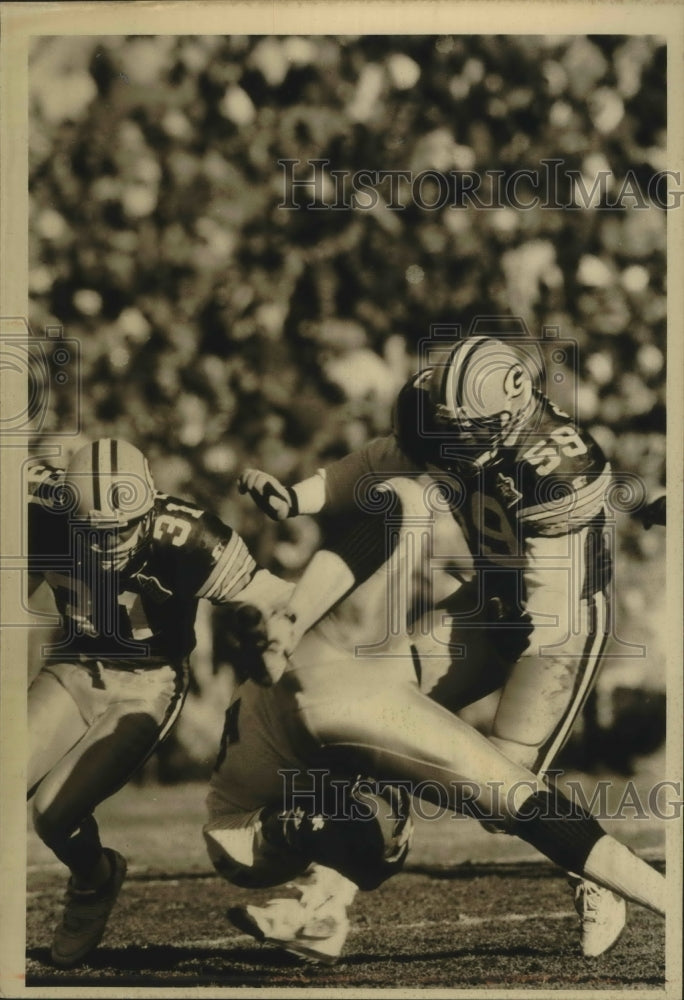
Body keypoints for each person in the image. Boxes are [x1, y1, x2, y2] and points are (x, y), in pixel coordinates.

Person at [230, 334, 630, 960]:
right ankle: (322, 908)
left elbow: (548, 604)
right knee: (371, 708)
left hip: (561, 624)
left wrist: (448, 746)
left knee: (500, 788)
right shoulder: (441, 413)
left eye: (469, 429)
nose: (454, 439)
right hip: (489, 600)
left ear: (512, 413)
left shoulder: (561, 468)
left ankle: (598, 872)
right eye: (450, 425)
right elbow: (376, 463)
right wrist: (298, 497)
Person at [204, 474, 665, 967]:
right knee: (488, 794)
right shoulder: (330, 667)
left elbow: (402, 523)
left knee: (501, 786)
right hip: (266, 815)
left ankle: (325, 908)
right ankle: (323, 909)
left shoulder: (338, 629)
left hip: (524, 628)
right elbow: (394, 496)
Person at [27, 437, 292, 969]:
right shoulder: (38, 511)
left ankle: (94, 882)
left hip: (148, 680)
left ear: (148, 508)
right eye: (94, 531)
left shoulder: (190, 536)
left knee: (53, 815)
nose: (109, 542)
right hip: (75, 665)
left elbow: (277, 601)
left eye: (122, 528)